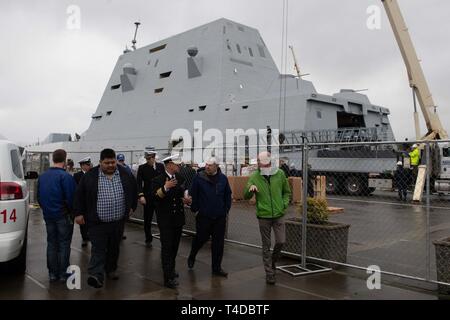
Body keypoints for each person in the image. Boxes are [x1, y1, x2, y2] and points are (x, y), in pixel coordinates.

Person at [73, 148, 137, 289]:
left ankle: (111, 269)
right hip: (97, 222)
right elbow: (79, 195)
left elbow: (134, 189)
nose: (110, 165)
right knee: (98, 248)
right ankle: (96, 275)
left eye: (112, 162)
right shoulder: (90, 176)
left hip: (118, 221)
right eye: (107, 163)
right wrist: (78, 213)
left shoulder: (125, 173)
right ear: (100, 162)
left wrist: (132, 206)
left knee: (114, 247)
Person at [244, 151, 291, 285]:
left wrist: (283, 205)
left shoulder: (280, 174)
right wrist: (250, 189)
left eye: (262, 162)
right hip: (263, 216)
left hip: (279, 214)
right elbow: (245, 195)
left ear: (269, 163)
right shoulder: (254, 176)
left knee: (281, 241)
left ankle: (273, 262)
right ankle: (269, 273)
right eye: (259, 162)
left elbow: (287, 192)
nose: (259, 164)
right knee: (266, 246)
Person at [187, 157, 232, 277]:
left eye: (210, 165)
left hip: (219, 217)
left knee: (218, 243)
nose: (207, 167)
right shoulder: (199, 177)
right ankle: (193, 254)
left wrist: (225, 210)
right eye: (206, 164)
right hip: (204, 216)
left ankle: (216, 268)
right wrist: (195, 210)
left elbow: (228, 195)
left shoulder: (223, 179)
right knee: (201, 238)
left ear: (216, 166)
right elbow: (192, 194)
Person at [151, 154, 191, 289]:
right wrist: (165, 187)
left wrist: (184, 200)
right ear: (169, 165)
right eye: (177, 164)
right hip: (166, 220)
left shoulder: (180, 178)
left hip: (178, 219)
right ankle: (167, 277)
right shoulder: (158, 180)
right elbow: (155, 198)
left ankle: (171, 270)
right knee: (167, 248)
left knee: (174, 247)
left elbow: (179, 195)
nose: (179, 166)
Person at [37, 149, 76, 282]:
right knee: (64, 244)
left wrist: (47, 210)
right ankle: (63, 273)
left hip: (49, 216)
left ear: (53, 159)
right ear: (65, 160)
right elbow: (71, 198)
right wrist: (71, 212)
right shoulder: (66, 177)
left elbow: (39, 198)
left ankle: (53, 274)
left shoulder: (42, 176)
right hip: (63, 216)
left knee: (52, 243)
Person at [136, 149, 165, 247]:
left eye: (151, 158)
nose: (150, 160)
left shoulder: (160, 167)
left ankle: (163, 238)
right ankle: (148, 238)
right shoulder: (142, 168)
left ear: (154, 157)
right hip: (148, 197)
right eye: (148, 158)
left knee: (161, 219)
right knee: (147, 219)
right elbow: (139, 183)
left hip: (159, 197)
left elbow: (164, 180)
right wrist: (141, 195)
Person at [73, 157, 92, 247]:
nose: (89, 166)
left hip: (91, 202)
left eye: (89, 164)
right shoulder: (77, 176)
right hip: (82, 202)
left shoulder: (93, 174)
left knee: (91, 220)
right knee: (83, 222)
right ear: (82, 166)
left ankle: (91, 235)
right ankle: (84, 238)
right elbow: (76, 190)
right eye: (87, 165)